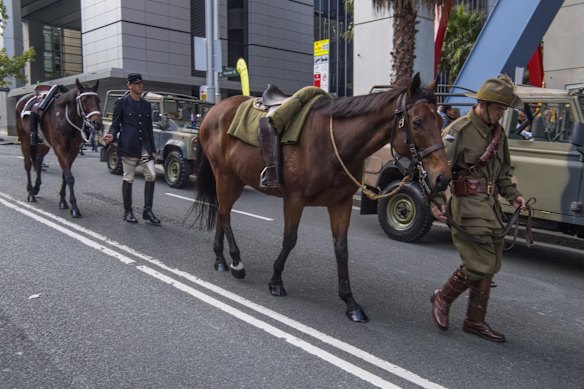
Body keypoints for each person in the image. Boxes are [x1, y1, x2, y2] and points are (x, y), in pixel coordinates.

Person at [430, 74, 528, 343]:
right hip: (466, 206)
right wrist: (436, 202)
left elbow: (503, 173)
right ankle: (442, 297)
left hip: (490, 207)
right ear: (483, 104)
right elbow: (436, 172)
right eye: (498, 108)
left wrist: (514, 196)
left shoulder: (498, 132)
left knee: (492, 263)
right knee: (479, 263)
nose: (501, 114)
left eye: (504, 110)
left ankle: (474, 320)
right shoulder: (458, 131)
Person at [102, 73, 161, 226]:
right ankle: (127, 211)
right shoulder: (121, 103)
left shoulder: (147, 105)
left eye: (141, 83)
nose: (140, 86)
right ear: (129, 85)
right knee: (129, 177)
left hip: (145, 147)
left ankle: (147, 211)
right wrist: (111, 136)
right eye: (137, 84)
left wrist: (153, 150)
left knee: (152, 175)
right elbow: (115, 125)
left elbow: (149, 129)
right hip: (128, 146)